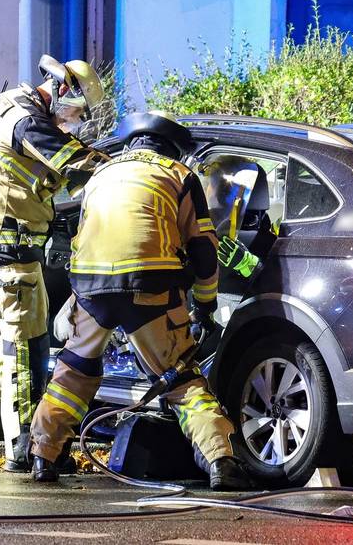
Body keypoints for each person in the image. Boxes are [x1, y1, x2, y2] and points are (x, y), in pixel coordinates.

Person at [28, 111, 253, 490]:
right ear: (173, 148)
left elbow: (82, 233)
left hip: (91, 287)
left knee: (74, 372)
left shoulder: (101, 175)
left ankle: (43, 457)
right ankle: (222, 462)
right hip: (151, 289)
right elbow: (203, 249)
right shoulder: (179, 175)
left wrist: (79, 293)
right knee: (181, 377)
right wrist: (206, 304)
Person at [0, 55, 108, 472]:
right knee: (27, 345)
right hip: (5, 243)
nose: (74, 121)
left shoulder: (13, 107)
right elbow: (71, 162)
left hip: (2, 241)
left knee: (20, 332)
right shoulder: (27, 120)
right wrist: (117, 168)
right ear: (61, 89)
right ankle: (24, 444)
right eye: (76, 111)